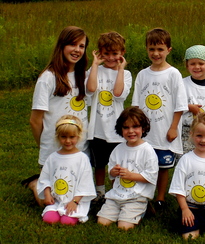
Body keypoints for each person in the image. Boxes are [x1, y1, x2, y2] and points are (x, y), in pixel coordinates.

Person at [24, 26, 90, 206]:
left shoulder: (84, 76)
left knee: (77, 197)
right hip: (54, 147)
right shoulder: (48, 78)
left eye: (81, 46)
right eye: (72, 44)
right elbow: (35, 120)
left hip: (79, 146)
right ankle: (35, 183)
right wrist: (44, 145)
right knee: (51, 203)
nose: (77, 50)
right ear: (61, 46)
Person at [131, 28, 187, 210]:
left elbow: (180, 105)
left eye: (160, 49)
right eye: (152, 49)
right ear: (146, 49)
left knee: (163, 165)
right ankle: (142, 195)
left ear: (169, 50)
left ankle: (160, 197)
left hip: (165, 130)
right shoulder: (142, 74)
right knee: (145, 162)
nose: (156, 53)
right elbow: (136, 105)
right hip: (146, 132)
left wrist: (173, 128)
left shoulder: (173, 74)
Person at [86, 31, 132, 202]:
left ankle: (115, 192)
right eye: (106, 54)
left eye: (115, 53)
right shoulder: (94, 70)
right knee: (99, 163)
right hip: (97, 128)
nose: (111, 58)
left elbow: (118, 93)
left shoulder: (125, 74)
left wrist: (120, 70)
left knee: (116, 163)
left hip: (116, 129)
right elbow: (90, 89)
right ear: (99, 53)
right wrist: (95, 66)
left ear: (122, 53)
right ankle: (100, 192)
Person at [97, 107, 159, 230]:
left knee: (124, 226)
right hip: (117, 195)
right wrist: (113, 172)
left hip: (137, 197)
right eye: (126, 127)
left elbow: (151, 176)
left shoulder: (147, 150)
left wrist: (131, 176)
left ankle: (143, 209)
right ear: (121, 129)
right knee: (102, 222)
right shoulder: (118, 149)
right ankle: (119, 210)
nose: (131, 131)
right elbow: (111, 173)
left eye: (135, 127)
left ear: (143, 128)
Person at [36, 115, 96, 225]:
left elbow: (85, 183)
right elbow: (45, 178)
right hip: (56, 200)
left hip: (75, 201)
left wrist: (75, 201)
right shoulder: (53, 158)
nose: (68, 141)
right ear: (58, 137)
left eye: (72, 137)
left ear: (78, 137)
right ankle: (55, 210)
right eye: (63, 137)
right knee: (49, 219)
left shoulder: (82, 158)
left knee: (67, 221)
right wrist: (47, 194)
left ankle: (72, 211)